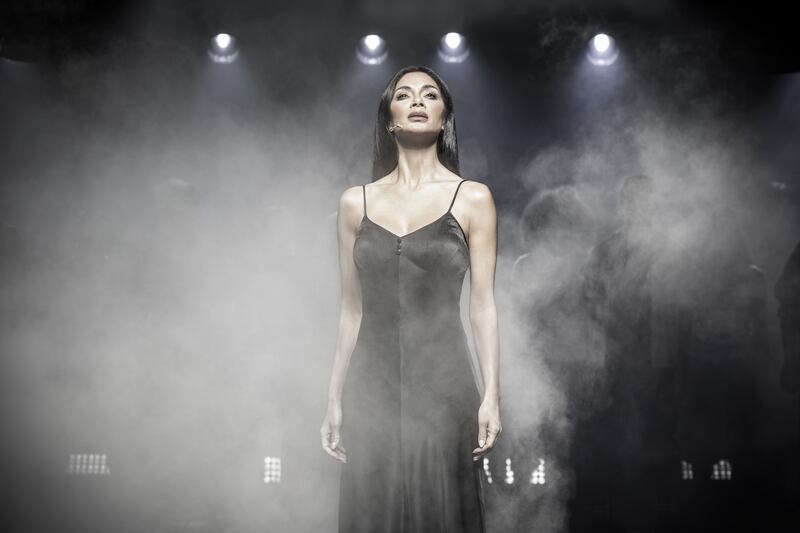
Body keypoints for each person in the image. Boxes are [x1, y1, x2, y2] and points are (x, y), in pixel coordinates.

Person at [320, 65, 502, 532]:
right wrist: (334, 398)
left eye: (430, 95)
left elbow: (482, 306)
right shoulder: (354, 203)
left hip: (445, 389)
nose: (417, 100)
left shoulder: (472, 199)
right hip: (370, 388)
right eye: (404, 95)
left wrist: (491, 395)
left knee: (442, 513)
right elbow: (351, 310)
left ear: (444, 119)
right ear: (389, 119)